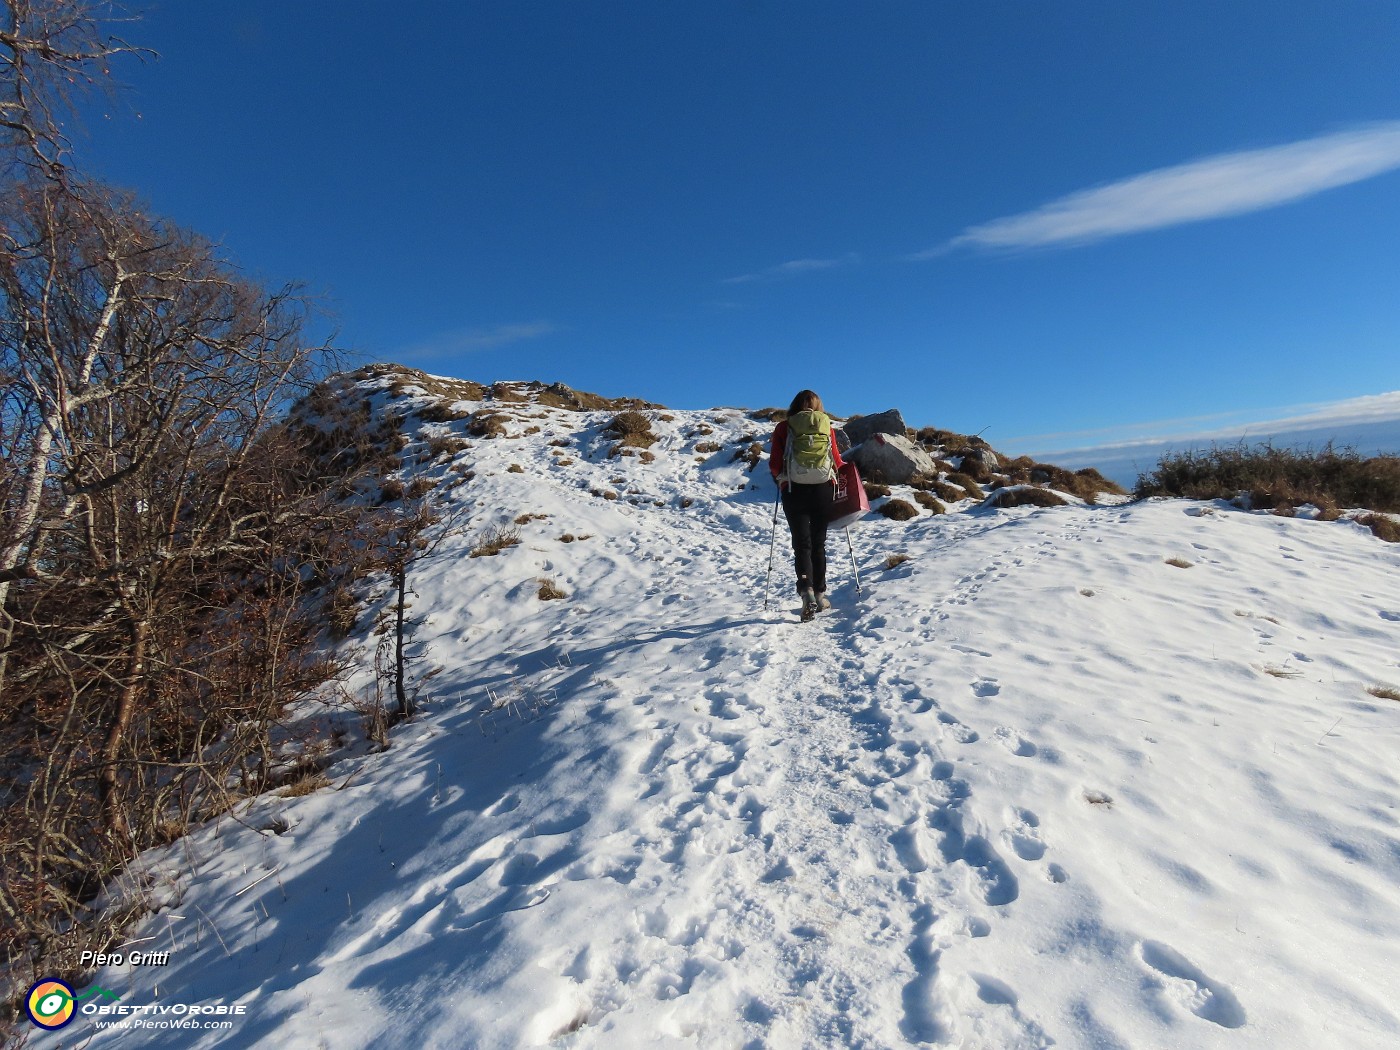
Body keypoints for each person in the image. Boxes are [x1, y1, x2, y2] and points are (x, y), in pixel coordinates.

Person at [769, 389, 845, 621]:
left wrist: (781, 480)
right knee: (818, 543)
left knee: (801, 544)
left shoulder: (784, 427)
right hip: (823, 489)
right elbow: (836, 460)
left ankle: (806, 592)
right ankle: (821, 594)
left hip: (794, 490)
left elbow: (774, 464)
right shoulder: (826, 426)